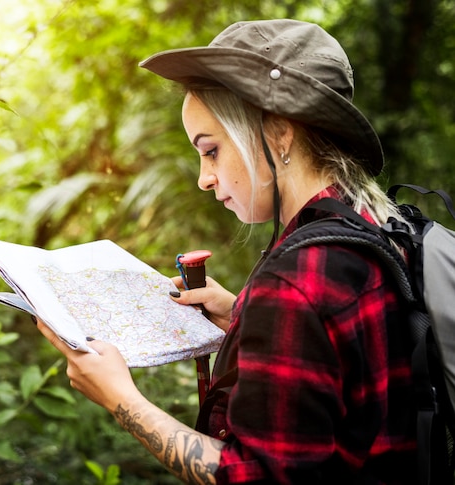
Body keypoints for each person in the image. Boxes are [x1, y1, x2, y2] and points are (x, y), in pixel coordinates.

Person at [36, 19, 417, 484]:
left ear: (279, 133)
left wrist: (121, 399)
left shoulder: (298, 279)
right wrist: (243, 315)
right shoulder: (369, 223)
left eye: (211, 150)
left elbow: (255, 476)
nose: (204, 178)